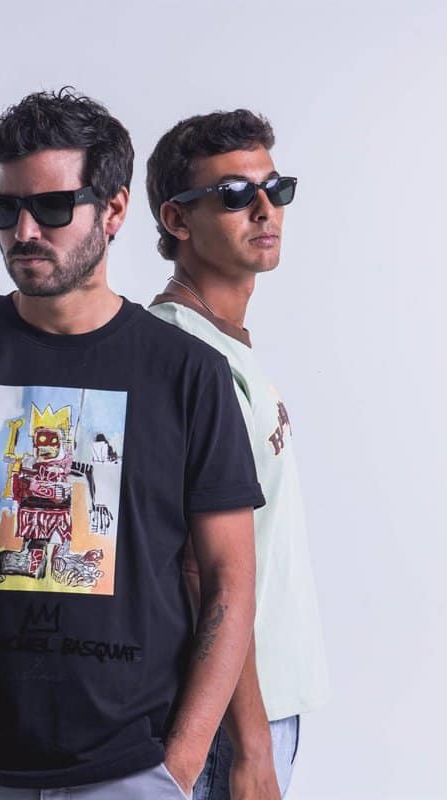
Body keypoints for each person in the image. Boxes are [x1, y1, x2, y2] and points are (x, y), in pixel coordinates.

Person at [0, 88, 264, 799]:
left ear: (115, 210)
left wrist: (181, 765)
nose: (24, 231)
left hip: (133, 773)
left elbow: (230, 579)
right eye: (4, 208)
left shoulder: (189, 374)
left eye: (51, 207)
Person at [145, 110, 330, 800]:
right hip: (229, 722)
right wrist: (250, 747)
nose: (264, 209)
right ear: (177, 219)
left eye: (274, 189)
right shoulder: (182, 356)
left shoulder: (223, 345)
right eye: (232, 194)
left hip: (267, 704)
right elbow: (200, 567)